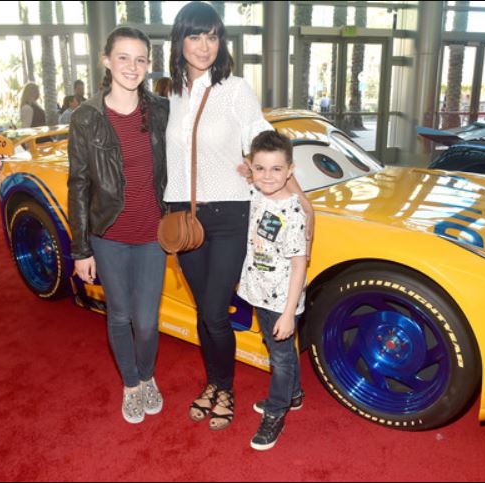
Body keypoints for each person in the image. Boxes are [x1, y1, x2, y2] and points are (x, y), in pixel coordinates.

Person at [164, 1, 313, 431]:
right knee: (202, 310)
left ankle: (224, 387)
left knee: (214, 310)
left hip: (231, 214)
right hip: (183, 216)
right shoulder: (169, 93)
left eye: (212, 36)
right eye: (195, 35)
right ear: (179, 40)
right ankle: (213, 383)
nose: (205, 45)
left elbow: (263, 139)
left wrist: (297, 193)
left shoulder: (234, 89)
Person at [68, 26, 169, 424]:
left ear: (148, 64)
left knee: (147, 320)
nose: (132, 66)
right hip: (108, 234)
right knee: (120, 315)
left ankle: (148, 376)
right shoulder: (86, 117)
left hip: (153, 235)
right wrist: (81, 251)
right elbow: (78, 183)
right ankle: (131, 383)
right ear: (106, 60)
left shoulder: (161, 110)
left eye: (140, 58)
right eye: (123, 57)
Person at [237, 130, 307, 451]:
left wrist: (290, 312)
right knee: (275, 345)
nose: (268, 176)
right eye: (260, 168)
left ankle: (276, 412)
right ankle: (293, 394)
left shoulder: (293, 213)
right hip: (257, 291)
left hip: (282, 300)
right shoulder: (255, 193)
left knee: (279, 358)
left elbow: (298, 265)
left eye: (276, 169)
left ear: (290, 171)